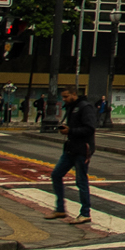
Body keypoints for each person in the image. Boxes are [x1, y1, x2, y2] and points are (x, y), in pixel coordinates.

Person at [47, 87, 98, 225]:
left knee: (81, 181)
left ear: (74, 94)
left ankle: (85, 213)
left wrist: (71, 131)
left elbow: (90, 128)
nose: (63, 99)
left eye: (66, 96)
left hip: (82, 149)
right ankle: (60, 208)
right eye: (62, 97)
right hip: (71, 148)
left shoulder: (85, 107)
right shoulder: (72, 107)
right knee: (56, 174)